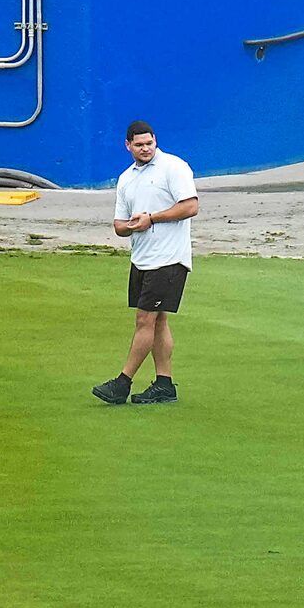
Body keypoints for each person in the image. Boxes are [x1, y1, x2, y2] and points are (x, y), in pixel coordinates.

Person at [93, 120, 197, 407]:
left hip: (169, 258)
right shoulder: (126, 178)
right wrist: (131, 226)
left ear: (155, 140)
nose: (145, 149)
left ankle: (122, 383)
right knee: (159, 319)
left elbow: (190, 206)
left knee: (145, 319)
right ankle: (164, 384)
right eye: (138, 145)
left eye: (149, 143)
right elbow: (118, 224)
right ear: (127, 146)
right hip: (142, 258)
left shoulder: (174, 167)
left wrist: (151, 218)